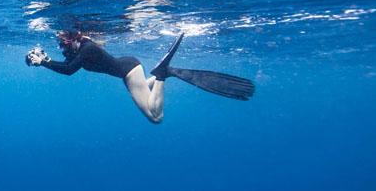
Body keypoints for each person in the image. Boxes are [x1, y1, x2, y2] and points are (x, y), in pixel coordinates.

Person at [26, 30, 254, 124]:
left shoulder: (87, 50)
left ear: (74, 39)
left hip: (128, 71)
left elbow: (67, 71)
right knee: (144, 89)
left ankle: (163, 75)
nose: (63, 48)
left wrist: (44, 62)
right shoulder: (83, 48)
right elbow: (66, 65)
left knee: (156, 117)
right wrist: (45, 60)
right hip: (128, 69)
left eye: (64, 44)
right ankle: (160, 76)